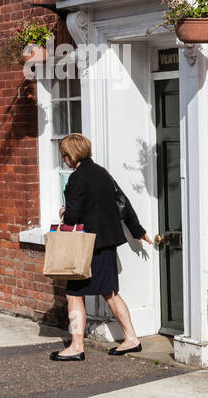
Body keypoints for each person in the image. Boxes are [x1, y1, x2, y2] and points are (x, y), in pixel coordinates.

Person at [50, 133, 151, 362]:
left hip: (86, 247)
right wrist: (137, 230)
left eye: (64, 155)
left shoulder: (77, 179)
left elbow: (73, 215)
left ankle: (76, 346)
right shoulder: (102, 173)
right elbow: (123, 202)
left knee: (74, 294)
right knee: (111, 293)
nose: (63, 159)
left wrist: (66, 212)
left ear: (72, 154)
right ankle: (132, 338)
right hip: (106, 244)